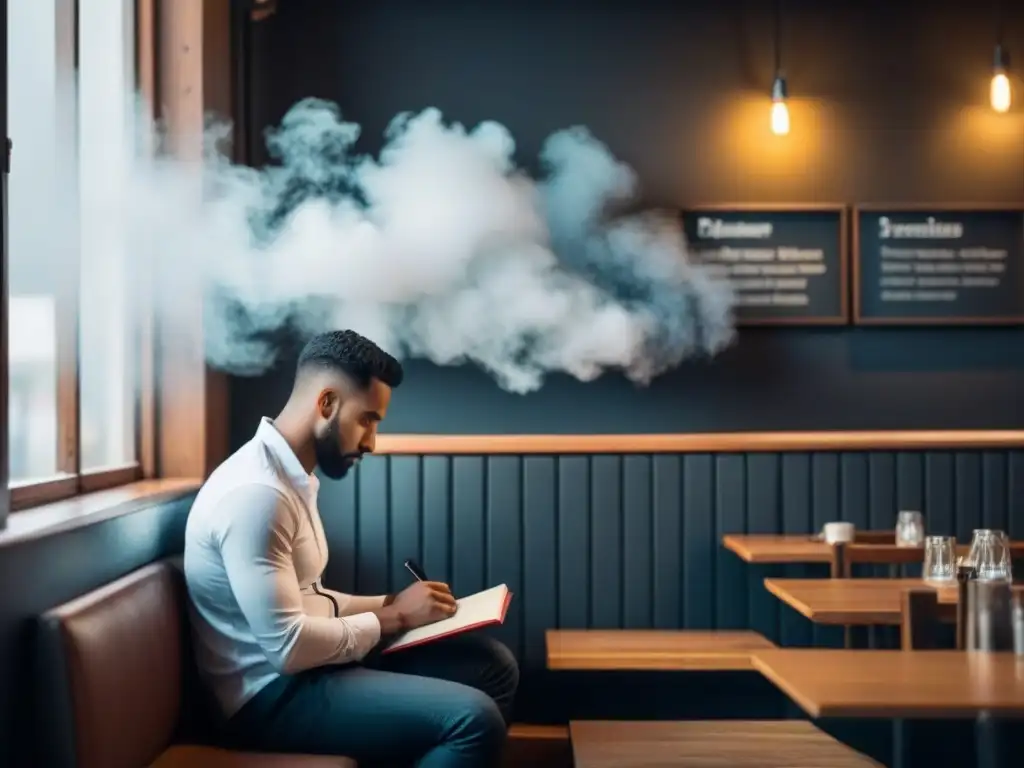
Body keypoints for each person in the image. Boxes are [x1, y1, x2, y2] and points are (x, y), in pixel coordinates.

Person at [183, 329, 519, 767]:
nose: (371, 442)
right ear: (326, 404)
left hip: (305, 673)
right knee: (474, 721)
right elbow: (288, 648)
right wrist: (396, 616)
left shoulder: (289, 478)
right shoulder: (257, 496)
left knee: (492, 665)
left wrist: (390, 601)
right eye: (367, 420)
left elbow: (310, 599)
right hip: (266, 699)